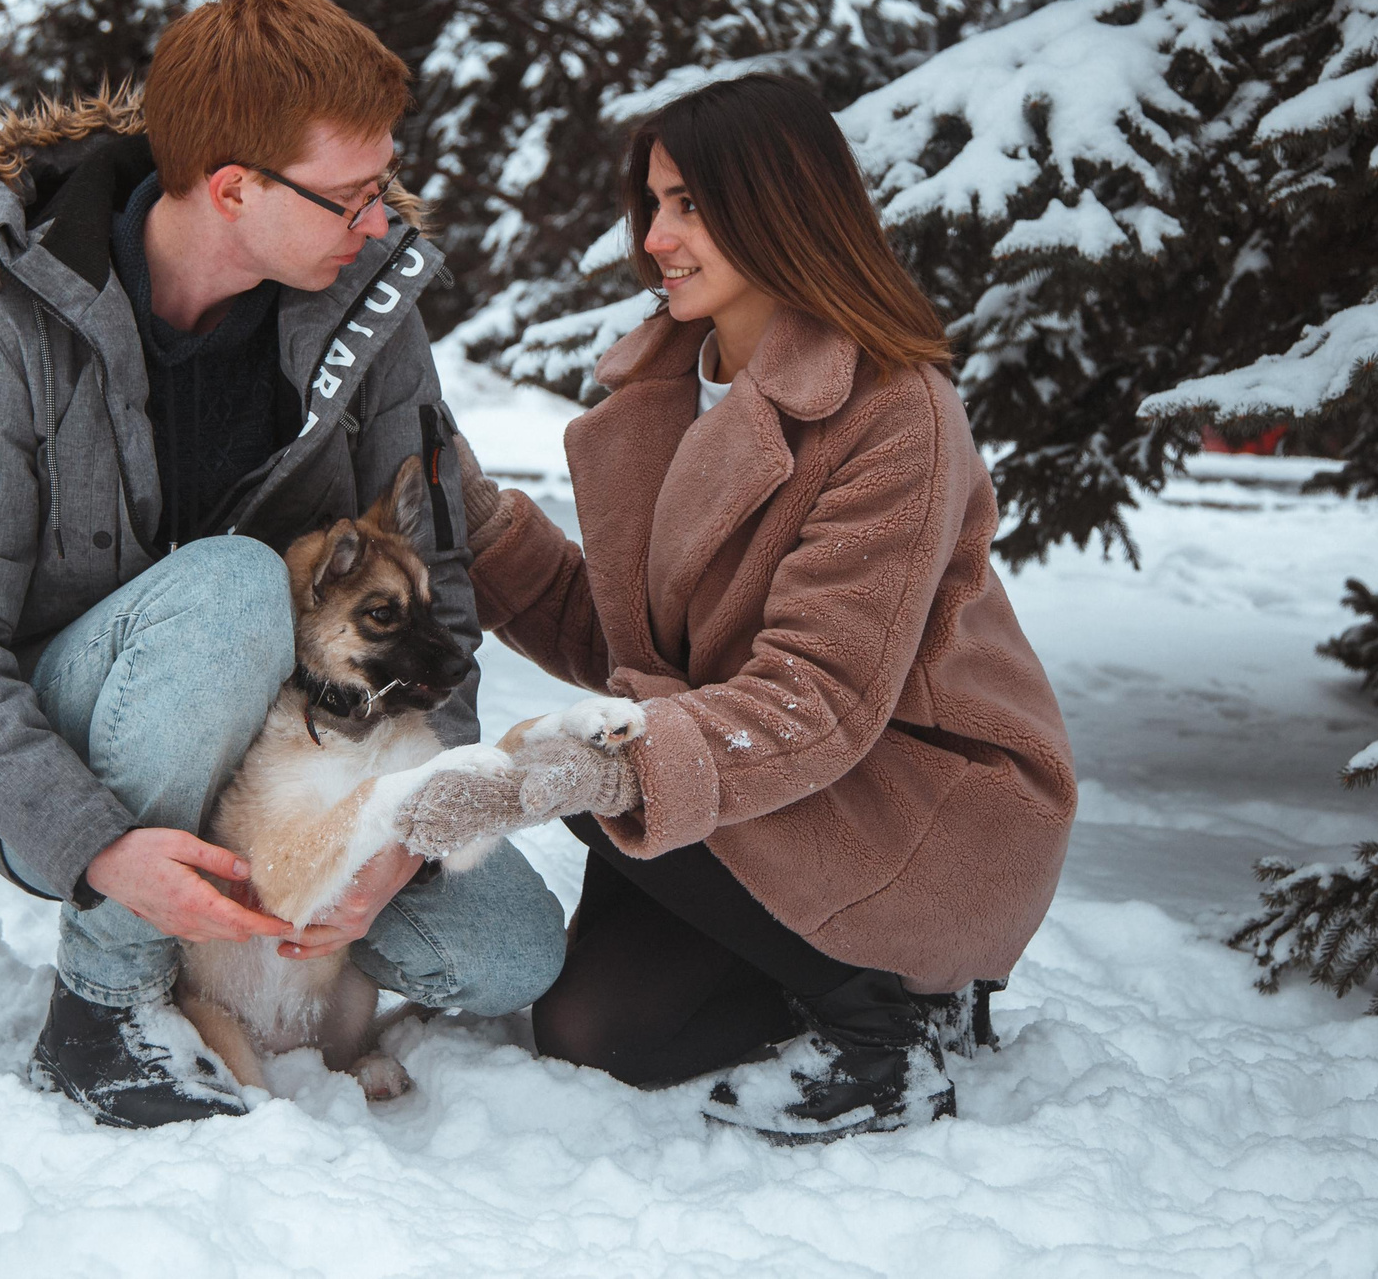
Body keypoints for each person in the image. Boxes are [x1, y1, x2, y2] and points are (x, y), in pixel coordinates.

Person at [0, 0, 566, 1128]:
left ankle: (264, 969)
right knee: (237, 583)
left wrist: (419, 817)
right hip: (91, 725)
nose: (381, 224)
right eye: (352, 197)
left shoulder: (368, 316)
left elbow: (429, 580)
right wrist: (92, 847)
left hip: (299, 744)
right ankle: (107, 998)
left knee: (503, 953)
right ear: (236, 187)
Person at [449, 73, 1077, 1143]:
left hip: (920, 798)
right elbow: (631, 647)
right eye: (650, 203)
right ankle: (836, 976)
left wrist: (601, 760)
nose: (655, 236)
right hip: (766, 781)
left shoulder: (893, 410)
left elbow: (820, 696)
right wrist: (466, 518)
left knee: (597, 759)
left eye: (689, 203)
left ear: (780, 205)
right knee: (598, 1033)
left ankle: (895, 1027)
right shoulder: (670, 393)